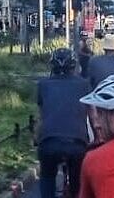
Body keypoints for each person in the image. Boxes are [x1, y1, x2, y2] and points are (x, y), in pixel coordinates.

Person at [36, 49, 90, 198]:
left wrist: (37, 137)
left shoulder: (43, 85)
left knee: (47, 176)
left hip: (49, 141)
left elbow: (42, 114)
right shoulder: (84, 85)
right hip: (77, 143)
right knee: (78, 184)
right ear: (74, 67)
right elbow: (91, 114)